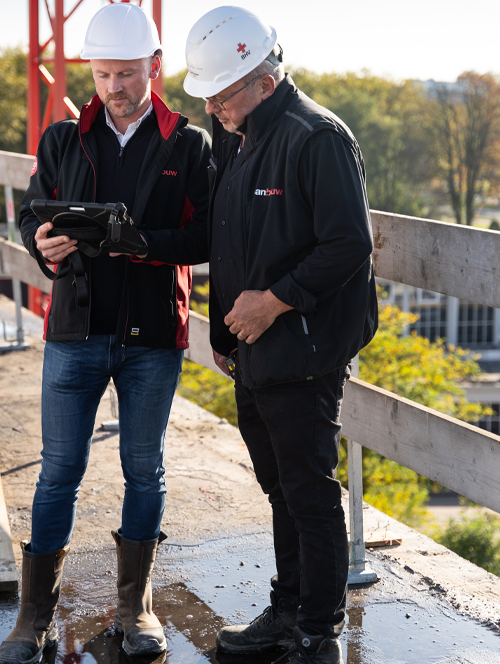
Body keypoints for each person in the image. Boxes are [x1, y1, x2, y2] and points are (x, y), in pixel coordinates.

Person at [0, 4, 211, 663]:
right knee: (59, 469)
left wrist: (139, 244)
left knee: (144, 469)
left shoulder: (188, 145)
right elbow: (35, 215)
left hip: (151, 336)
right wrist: (44, 245)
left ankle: (135, 608)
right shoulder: (62, 138)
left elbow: (205, 238)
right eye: (101, 73)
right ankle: (32, 618)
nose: (113, 87)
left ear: (154, 67)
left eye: (125, 73)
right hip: (75, 329)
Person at [184, 7, 378, 664]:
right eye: (206, 94)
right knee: (277, 486)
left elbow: (348, 242)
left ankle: (317, 634)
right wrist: (227, 332)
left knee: (309, 490)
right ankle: (288, 607)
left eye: (221, 92)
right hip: (255, 352)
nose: (211, 104)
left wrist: (272, 303)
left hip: (305, 348)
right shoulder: (236, 135)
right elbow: (233, 239)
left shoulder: (315, 137)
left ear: (264, 79)